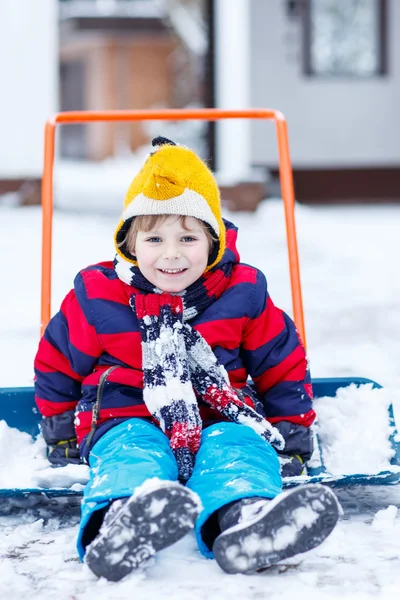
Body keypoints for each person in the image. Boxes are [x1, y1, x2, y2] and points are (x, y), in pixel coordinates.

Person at [34, 136, 339, 582]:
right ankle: (120, 523)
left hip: (220, 411)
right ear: (130, 242)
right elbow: (58, 360)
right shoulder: (97, 296)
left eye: (188, 237)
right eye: (154, 237)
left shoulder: (243, 293)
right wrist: (59, 426)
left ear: (213, 241)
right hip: (124, 413)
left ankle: (245, 520)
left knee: (238, 450)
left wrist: (291, 426)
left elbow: (280, 360)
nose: (172, 253)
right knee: (131, 454)